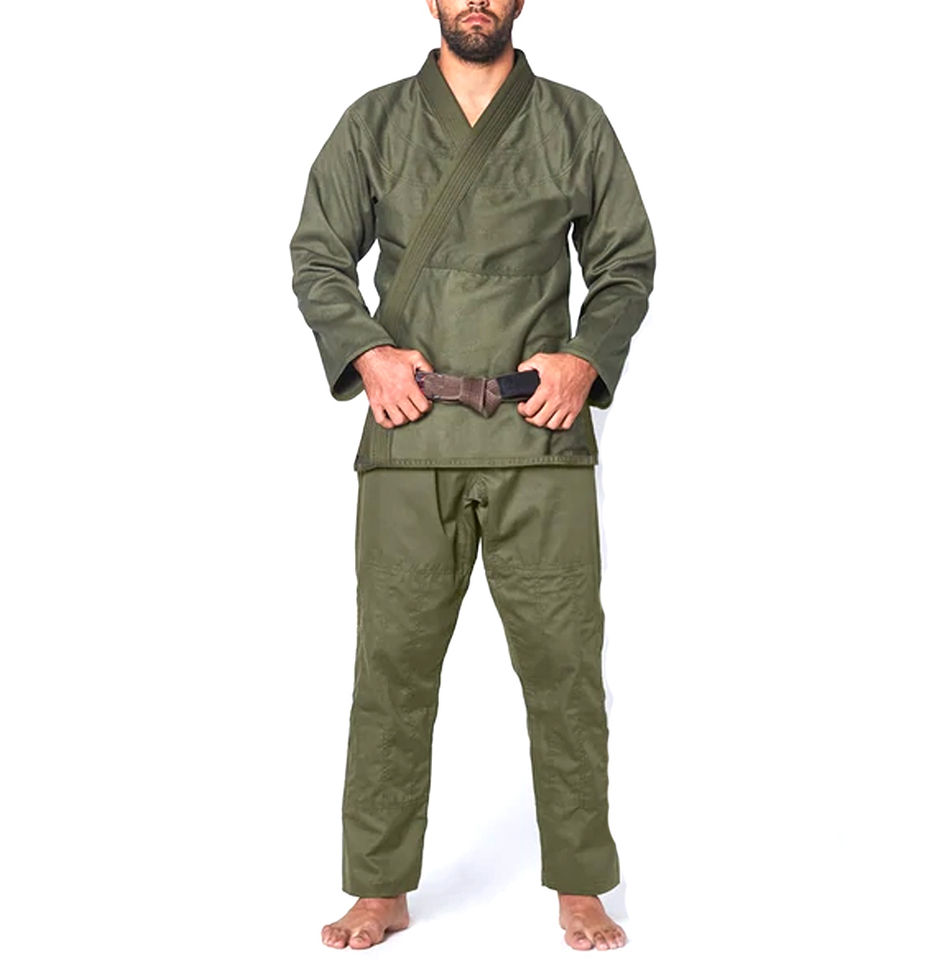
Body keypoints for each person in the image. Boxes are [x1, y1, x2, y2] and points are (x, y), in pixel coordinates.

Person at [289, 0, 655, 950]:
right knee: (391, 669)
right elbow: (318, 255)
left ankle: (583, 882)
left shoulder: (573, 120)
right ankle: (379, 886)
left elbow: (625, 263)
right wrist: (367, 353)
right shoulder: (375, 120)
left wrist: (585, 359)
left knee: (567, 668)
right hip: (411, 438)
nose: (477, 0)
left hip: (541, 438)